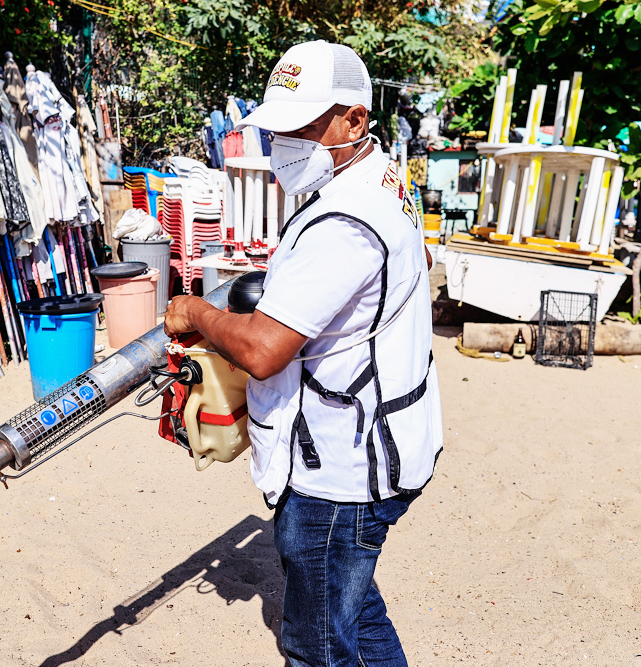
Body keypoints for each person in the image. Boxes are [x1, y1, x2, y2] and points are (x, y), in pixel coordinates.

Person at [164, 41, 443, 667]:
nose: (286, 144)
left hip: (341, 467)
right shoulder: (378, 175)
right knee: (353, 610)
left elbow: (263, 352)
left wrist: (197, 314)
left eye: (305, 127)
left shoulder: (347, 215)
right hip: (375, 441)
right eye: (280, 129)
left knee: (315, 645)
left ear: (355, 120)